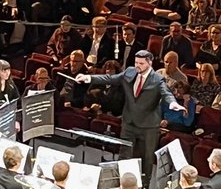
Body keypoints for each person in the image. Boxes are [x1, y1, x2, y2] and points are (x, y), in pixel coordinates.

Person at [75, 50, 182, 179]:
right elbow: (111, 78)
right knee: (124, 154)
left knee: (146, 159)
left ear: (149, 63)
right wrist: (89, 78)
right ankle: (122, 182)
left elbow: (166, 93)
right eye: (136, 62)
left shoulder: (158, 79)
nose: (138, 66)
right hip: (129, 122)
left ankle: (144, 186)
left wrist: (172, 103)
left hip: (148, 126)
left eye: (141, 63)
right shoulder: (130, 72)